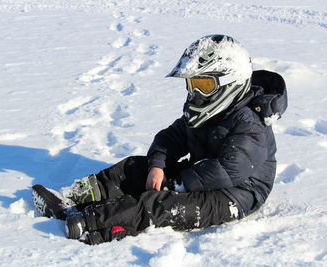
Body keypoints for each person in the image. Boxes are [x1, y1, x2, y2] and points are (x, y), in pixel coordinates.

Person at [31, 34, 288, 245]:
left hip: (235, 195)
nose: (196, 93)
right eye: (192, 85)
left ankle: (91, 220)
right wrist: (157, 164)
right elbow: (173, 136)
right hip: (199, 174)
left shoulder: (251, 126)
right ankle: (73, 197)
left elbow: (227, 171)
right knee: (135, 167)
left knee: (159, 205)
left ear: (230, 84)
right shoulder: (208, 113)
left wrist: (176, 185)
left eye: (204, 86)